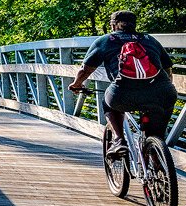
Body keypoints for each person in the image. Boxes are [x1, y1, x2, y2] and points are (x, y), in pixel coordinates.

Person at [67, 10, 177, 157]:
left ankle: (119, 141)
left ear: (113, 26)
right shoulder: (149, 39)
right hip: (163, 93)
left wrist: (76, 84)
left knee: (108, 101)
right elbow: (168, 69)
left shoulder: (106, 40)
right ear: (134, 25)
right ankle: (158, 158)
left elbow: (85, 70)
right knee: (156, 132)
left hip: (123, 94)